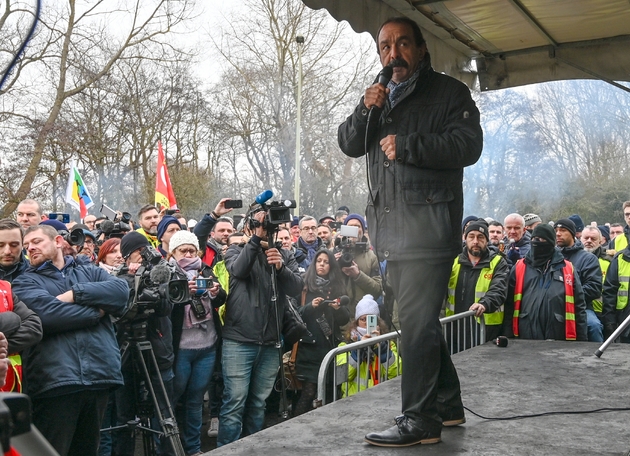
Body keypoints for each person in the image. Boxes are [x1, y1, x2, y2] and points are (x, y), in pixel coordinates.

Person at [338, 16, 483, 446]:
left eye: (402, 44)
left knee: (417, 326)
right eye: (385, 46)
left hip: (429, 232)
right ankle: (450, 405)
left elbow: (468, 145)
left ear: (420, 49)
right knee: (420, 326)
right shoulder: (379, 97)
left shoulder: (449, 93)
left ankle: (420, 421)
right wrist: (367, 108)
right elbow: (348, 142)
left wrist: (410, 145)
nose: (393, 53)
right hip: (392, 236)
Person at [13, 224, 128, 456]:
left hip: (99, 375)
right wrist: (97, 312)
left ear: (57, 241)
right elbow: (48, 315)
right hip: (55, 381)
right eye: (26, 246)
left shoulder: (90, 271)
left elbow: (120, 292)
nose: (30, 248)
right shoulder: (24, 282)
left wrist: (75, 294)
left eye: (36, 241)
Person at [217, 210, 303, 446]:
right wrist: (255, 240)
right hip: (239, 340)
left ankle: (252, 449)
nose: (264, 228)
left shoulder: (284, 254)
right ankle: (226, 451)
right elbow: (238, 270)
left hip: (271, 340)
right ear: (248, 226)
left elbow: (297, 287)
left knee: (258, 403)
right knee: (234, 402)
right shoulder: (236, 250)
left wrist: (280, 267)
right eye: (257, 224)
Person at [167, 230, 226, 456]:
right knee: (174, 398)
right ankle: (170, 448)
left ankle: (193, 448)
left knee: (195, 400)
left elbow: (222, 298)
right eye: (184, 250)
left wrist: (216, 292)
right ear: (173, 252)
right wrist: (182, 293)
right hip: (181, 348)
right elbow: (164, 307)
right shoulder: (168, 273)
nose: (189, 254)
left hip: (206, 346)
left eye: (192, 250)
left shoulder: (206, 270)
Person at [503, 223, 588, 341]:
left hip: (559, 334)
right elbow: (509, 304)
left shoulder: (567, 268)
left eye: (543, 240)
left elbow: (579, 306)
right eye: (535, 239)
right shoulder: (519, 267)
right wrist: (508, 334)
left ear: (551, 242)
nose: (537, 242)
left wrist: (582, 339)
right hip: (524, 334)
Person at [293, 249, 350, 416]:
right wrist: (311, 307)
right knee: (308, 391)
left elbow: (345, 319)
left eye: (326, 262)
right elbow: (294, 314)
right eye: (319, 261)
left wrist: (338, 308)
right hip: (309, 347)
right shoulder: (304, 285)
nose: (322, 265)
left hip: (329, 348)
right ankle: (295, 426)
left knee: (328, 392)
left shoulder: (337, 287)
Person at [446, 220, 509, 351]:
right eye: (471, 236)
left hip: (485, 329)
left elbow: (499, 289)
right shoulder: (453, 261)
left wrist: (484, 303)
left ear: (487, 240)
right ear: (465, 238)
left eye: (480, 237)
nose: (475, 241)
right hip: (454, 328)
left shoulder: (498, 262)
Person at [336, 294, 400, 398]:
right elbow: (342, 376)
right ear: (356, 322)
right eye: (363, 319)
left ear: (377, 321)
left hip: (381, 398)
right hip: (353, 401)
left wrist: (383, 350)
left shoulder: (388, 344)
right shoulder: (346, 345)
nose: (366, 323)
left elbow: (396, 373)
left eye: (370, 319)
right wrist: (358, 351)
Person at [0, 277, 42, 393]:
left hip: (9, 387)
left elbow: (34, 327)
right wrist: (11, 319)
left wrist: (3, 346)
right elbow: (12, 319)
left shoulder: (5, 287)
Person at [0, 219, 28, 283]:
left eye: (14, 245)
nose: (7, 251)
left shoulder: (35, 273)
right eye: (0, 245)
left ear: (23, 244)